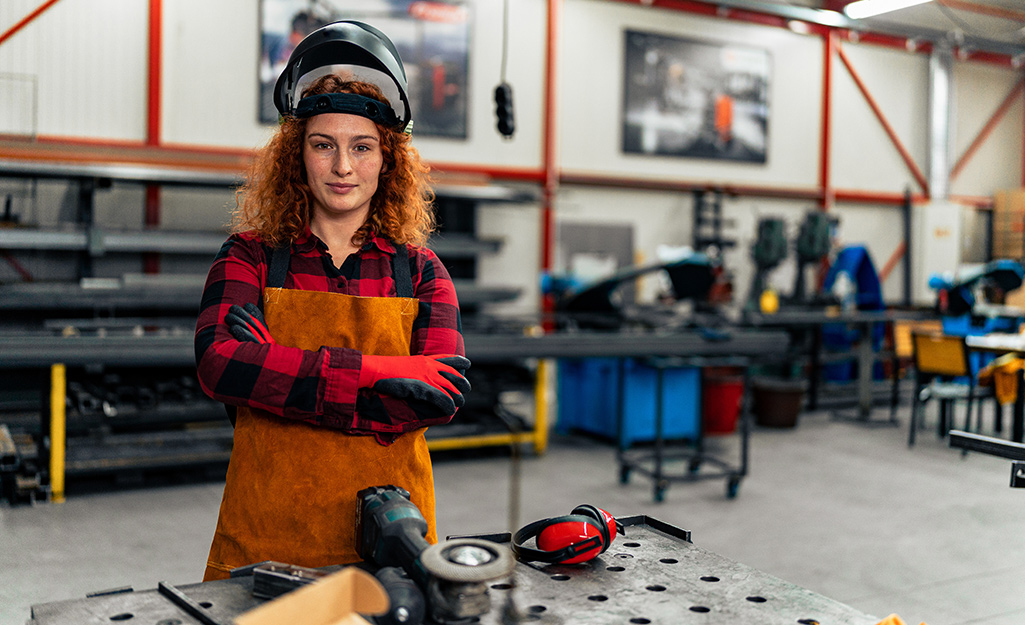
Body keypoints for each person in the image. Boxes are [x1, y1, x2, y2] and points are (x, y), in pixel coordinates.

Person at [195, 21, 470, 582]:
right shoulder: (249, 256)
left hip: (394, 542)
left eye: (361, 147)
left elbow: (438, 397)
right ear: (298, 155)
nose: (343, 166)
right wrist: (378, 372)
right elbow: (221, 365)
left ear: (387, 160)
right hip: (265, 540)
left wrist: (281, 374)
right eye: (324, 145)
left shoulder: (421, 273)